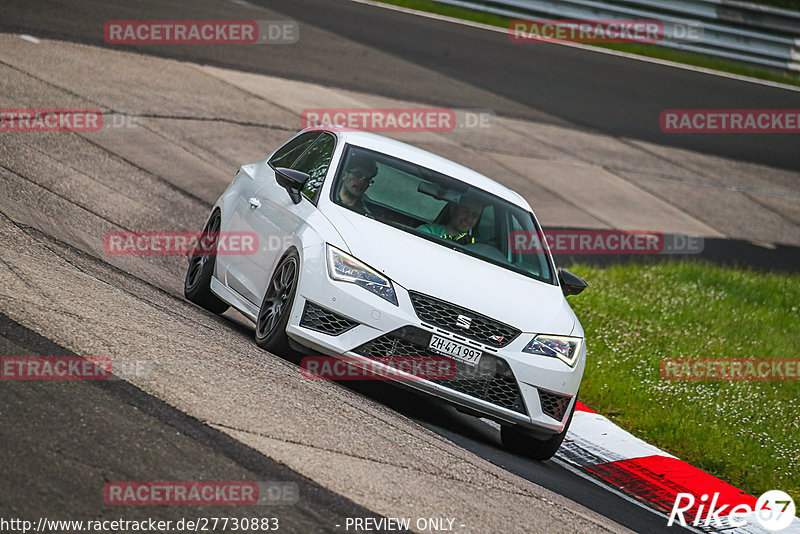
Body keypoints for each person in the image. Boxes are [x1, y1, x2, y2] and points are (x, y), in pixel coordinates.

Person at [417, 196, 483, 245]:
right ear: (453, 210)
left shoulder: (474, 245)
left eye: (474, 216)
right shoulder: (428, 231)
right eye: (465, 211)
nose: (468, 219)